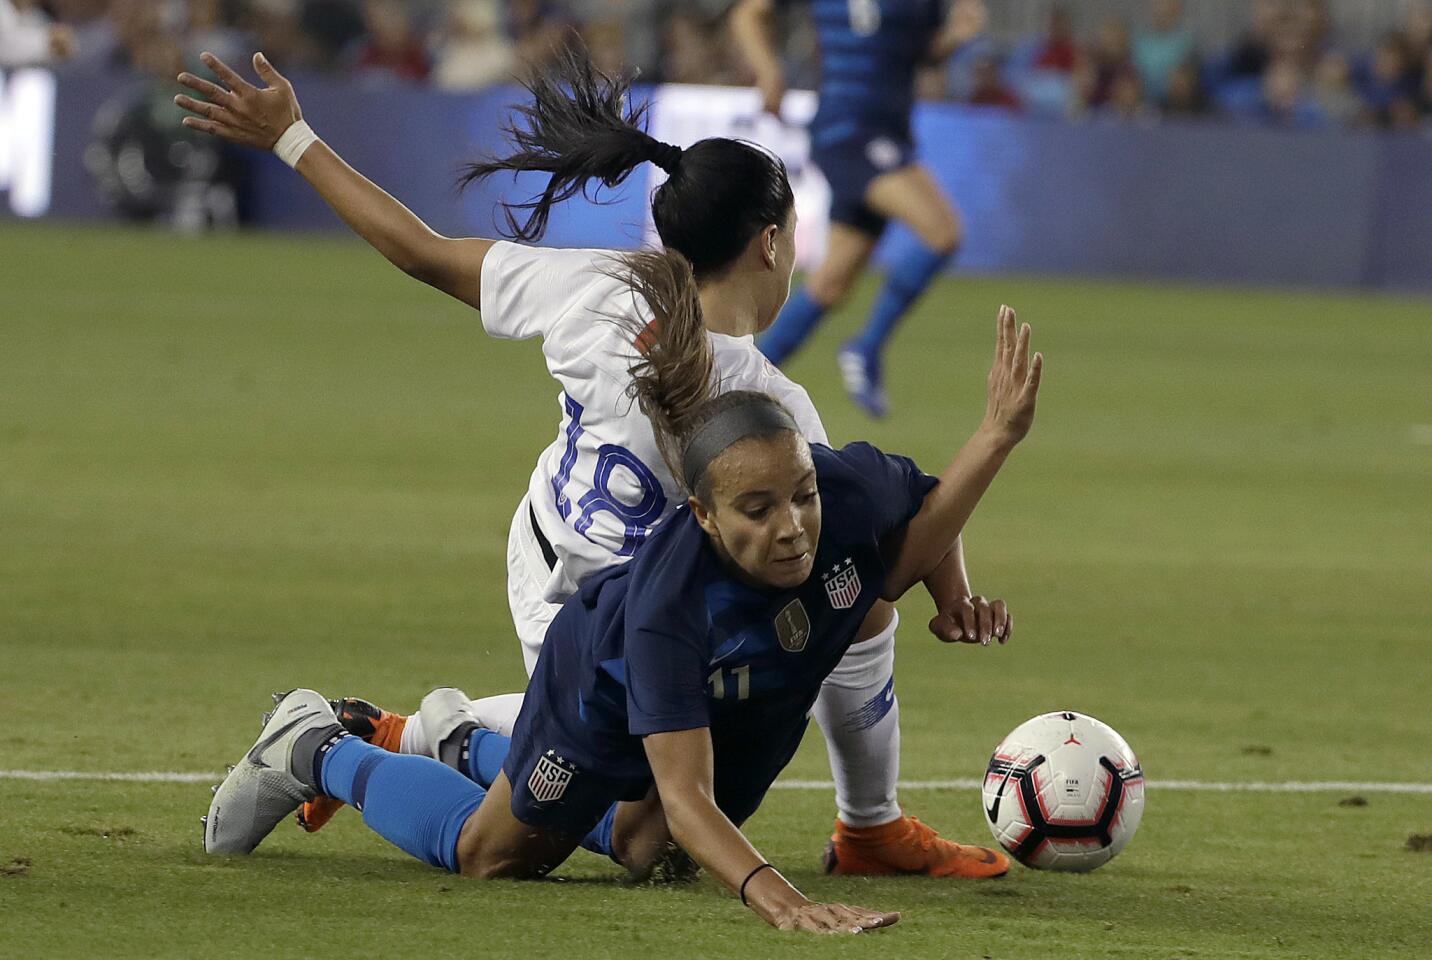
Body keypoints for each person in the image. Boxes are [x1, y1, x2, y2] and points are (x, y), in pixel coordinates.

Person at [174, 45, 1014, 879]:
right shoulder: (770, 409)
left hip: (549, 550)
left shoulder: (600, 285)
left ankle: (867, 827)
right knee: (563, 835)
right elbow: (886, 515)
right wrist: (955, 588)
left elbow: (421, 251)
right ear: (769, 243)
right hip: (609, 630)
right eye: (796, 232)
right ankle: (378, 741)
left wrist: (293, 137)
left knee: (685, 797)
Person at [203, 299, 1044, 932]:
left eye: (801, 495)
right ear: (704, 516)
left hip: (749, 695)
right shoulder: (667, 613)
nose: (791, 525)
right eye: (757, 509)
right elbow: (685, 794)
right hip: (594, 690)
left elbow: (926, 512)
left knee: (655, 856)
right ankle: (316, 746)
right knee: (495, 858)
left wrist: (988, 472)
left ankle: (462, 740)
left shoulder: (847, 486)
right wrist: (786, 904)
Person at [729, 0, 986, 417]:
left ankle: (737, 382)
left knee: (830, 284)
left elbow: (919, 52)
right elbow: (749, 13)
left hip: (889, 135)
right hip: (848, 131)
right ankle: (866, 346)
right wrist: (769, 71)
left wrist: (955, 37)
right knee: (943, 232)